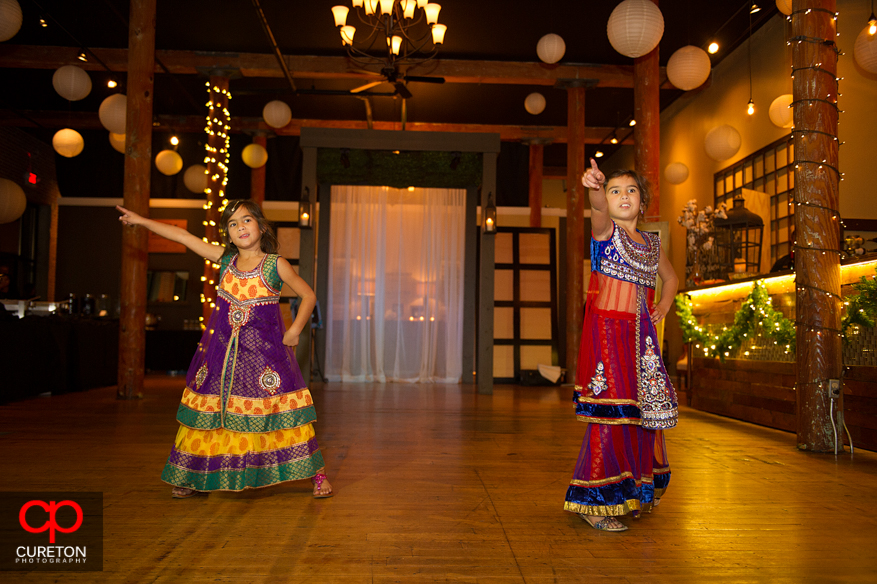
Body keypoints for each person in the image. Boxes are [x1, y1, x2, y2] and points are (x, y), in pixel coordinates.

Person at [117, 200, 333, 499]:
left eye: (246, 220)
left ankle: (315, 474)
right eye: (233, 224)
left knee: (281, 411)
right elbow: (183, 237)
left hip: (264, 357)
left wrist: (294, 331)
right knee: (213, 410)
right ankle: (195, 474)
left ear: (261, 226)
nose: (240, 227)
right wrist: (141, 220)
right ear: (227, 234)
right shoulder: (225, 261)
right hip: (223, 356)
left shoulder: (275, 264)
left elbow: (308, 295)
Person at [563, 159, 678, 532]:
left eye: (631, 190)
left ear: (642, 201)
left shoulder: (652, 243)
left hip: (642, 340)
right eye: (615, 191)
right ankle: (593, 503)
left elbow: (671, 278)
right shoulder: (605, 232)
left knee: (642, 417)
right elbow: (595, 207)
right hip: (609, 335)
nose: (622, 196)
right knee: (611, 416)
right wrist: (594, 187)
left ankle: (630, 492)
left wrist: (663, 303)